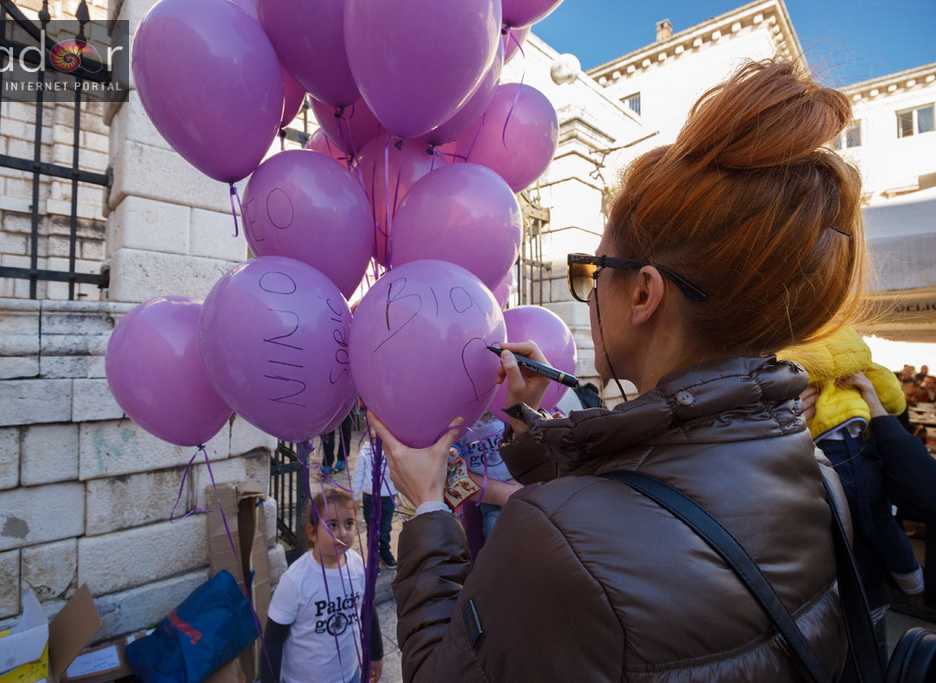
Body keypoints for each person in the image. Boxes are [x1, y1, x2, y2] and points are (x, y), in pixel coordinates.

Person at [369, 60, 866, 681]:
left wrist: (430, 509)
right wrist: (535, 422)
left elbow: (435, 672)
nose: (590, 288)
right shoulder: (817, 475)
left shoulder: (554, 542)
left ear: (643, 294)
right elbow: (656, 482)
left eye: (593, 271)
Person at [782, 328, 929, 654]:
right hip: (803, 598)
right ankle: (904, 571)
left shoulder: (874, 410)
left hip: (853, 591)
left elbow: (924, 493)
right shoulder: (785, 402)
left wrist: (877, 409)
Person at [263, 488, 384, 683]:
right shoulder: (295, 581)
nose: (343, 533)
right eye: (332, 525)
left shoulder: (357, 565)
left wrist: (376, 654)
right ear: (312, 532)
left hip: (350, 674)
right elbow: (273, 641)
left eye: (349, 523)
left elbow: (367, 610)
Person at [454, 412, 520, 538]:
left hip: (517, 479)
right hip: (487, 500)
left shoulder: (504, 416)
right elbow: (452, 480)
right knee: (493, 524)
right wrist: (453, 451)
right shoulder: (460, 426)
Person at [350, 436, 398, 570]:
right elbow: (358, 474)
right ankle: (372, 556)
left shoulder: (393, 449)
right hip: (370, 496)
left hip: (388, 496)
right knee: (372, 527)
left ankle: (384, 551)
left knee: (386, 527)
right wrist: (355, 496)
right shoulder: (365, 452)